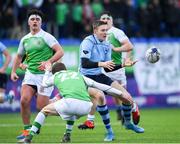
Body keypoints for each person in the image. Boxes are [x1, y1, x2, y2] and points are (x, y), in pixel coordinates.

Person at [24, 62, 131, 143]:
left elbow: (44, 83)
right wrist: (120, 93)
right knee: (71, 113)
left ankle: (30, 136)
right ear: (65, 69)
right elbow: (100, 86)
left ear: (55, 72)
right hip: (86, 107)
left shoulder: (56, 75)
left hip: (70, 103)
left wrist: (47, 70)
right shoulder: (78, 75)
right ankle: (67, 135)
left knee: (44, 111)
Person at [78, 20, 144, 141]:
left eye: (107, 30)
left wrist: (124, 64)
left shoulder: (107, 44)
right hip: (85, 78)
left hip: (99, 76)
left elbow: (108, 68)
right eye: (102, 30)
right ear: (95, 31)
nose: (105, 33)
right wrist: (102, 63)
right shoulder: (88, 42)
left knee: (127, 97)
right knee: (100, 97)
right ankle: (109, 132)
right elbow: (84, 63)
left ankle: (128, 123)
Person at [10, 9, 64, 142]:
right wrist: (13, 71)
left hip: (45, 76)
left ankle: (62, 103)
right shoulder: (25, 39)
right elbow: (18, 56)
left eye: (37, 19)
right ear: (28, 22)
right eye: (32, 19)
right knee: (24, 100)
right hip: (30, 75)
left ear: (41, 22)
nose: (35, 21)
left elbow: (60, 52)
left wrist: (48, 61)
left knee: (42, 107)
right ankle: (27, 130)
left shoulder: (47, 36)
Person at [100, 11, 140, 124]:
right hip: (105, 69)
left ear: (111, 21)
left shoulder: (116, 32)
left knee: (123, 95)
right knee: (103, 94)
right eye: (103, 18)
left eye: (108, 18)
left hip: (118, 69)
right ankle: (118, 111)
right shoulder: (99, 34)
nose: (105, 20)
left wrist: (119, 51)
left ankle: (128, 111)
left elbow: (129, 46)